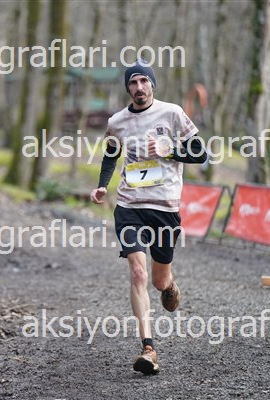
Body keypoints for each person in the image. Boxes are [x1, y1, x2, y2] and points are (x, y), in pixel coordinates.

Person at [90, 60, 207, 374]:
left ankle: (169, 283)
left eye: (144, 81)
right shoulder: (117, 121)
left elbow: (200, 153)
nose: (139, 87)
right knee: (138, 272)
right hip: (130, 205)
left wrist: (169, 150)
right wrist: (102, 185)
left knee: (158, 281)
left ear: (152, 84)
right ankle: (148, 348)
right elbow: (111, 153)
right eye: (133, 82)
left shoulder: (172, 113)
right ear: (127, 88)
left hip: (164, 209)